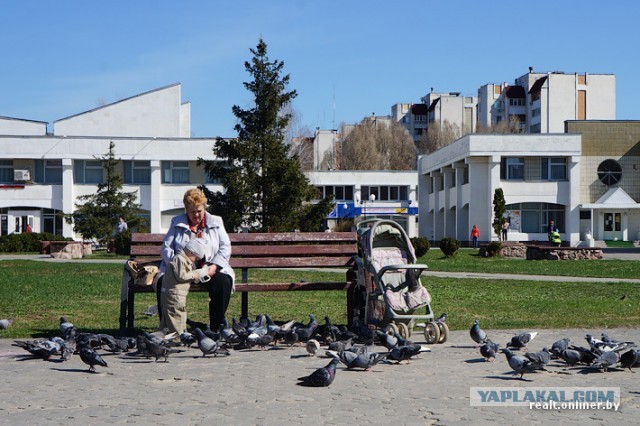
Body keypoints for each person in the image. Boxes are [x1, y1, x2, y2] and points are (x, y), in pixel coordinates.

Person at [157, 188, 235, 331]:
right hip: (181, 269)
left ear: (204, 207)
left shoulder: (216, 222)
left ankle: (215, 328)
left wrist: (214, 267)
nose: (196, 215)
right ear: (186, 210)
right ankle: (169, 327)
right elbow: (166, 248)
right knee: (163, 282)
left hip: (208, 268)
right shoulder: (177, 222)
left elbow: (225, 247)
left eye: (199, 211)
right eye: (192, 212)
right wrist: (177, 264)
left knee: (223, 282)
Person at [159, 238, 212, 335]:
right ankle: (177, 336)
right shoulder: (179, 258)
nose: (195, 261)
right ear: (191, 252)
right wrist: (193, 275)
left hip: (177, 294)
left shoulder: (184, 259)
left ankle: (170, 334)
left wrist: (198, 273)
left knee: (175, 314)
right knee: (176, 315)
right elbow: (181, 276)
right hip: (173, 294)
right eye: (196, 258)